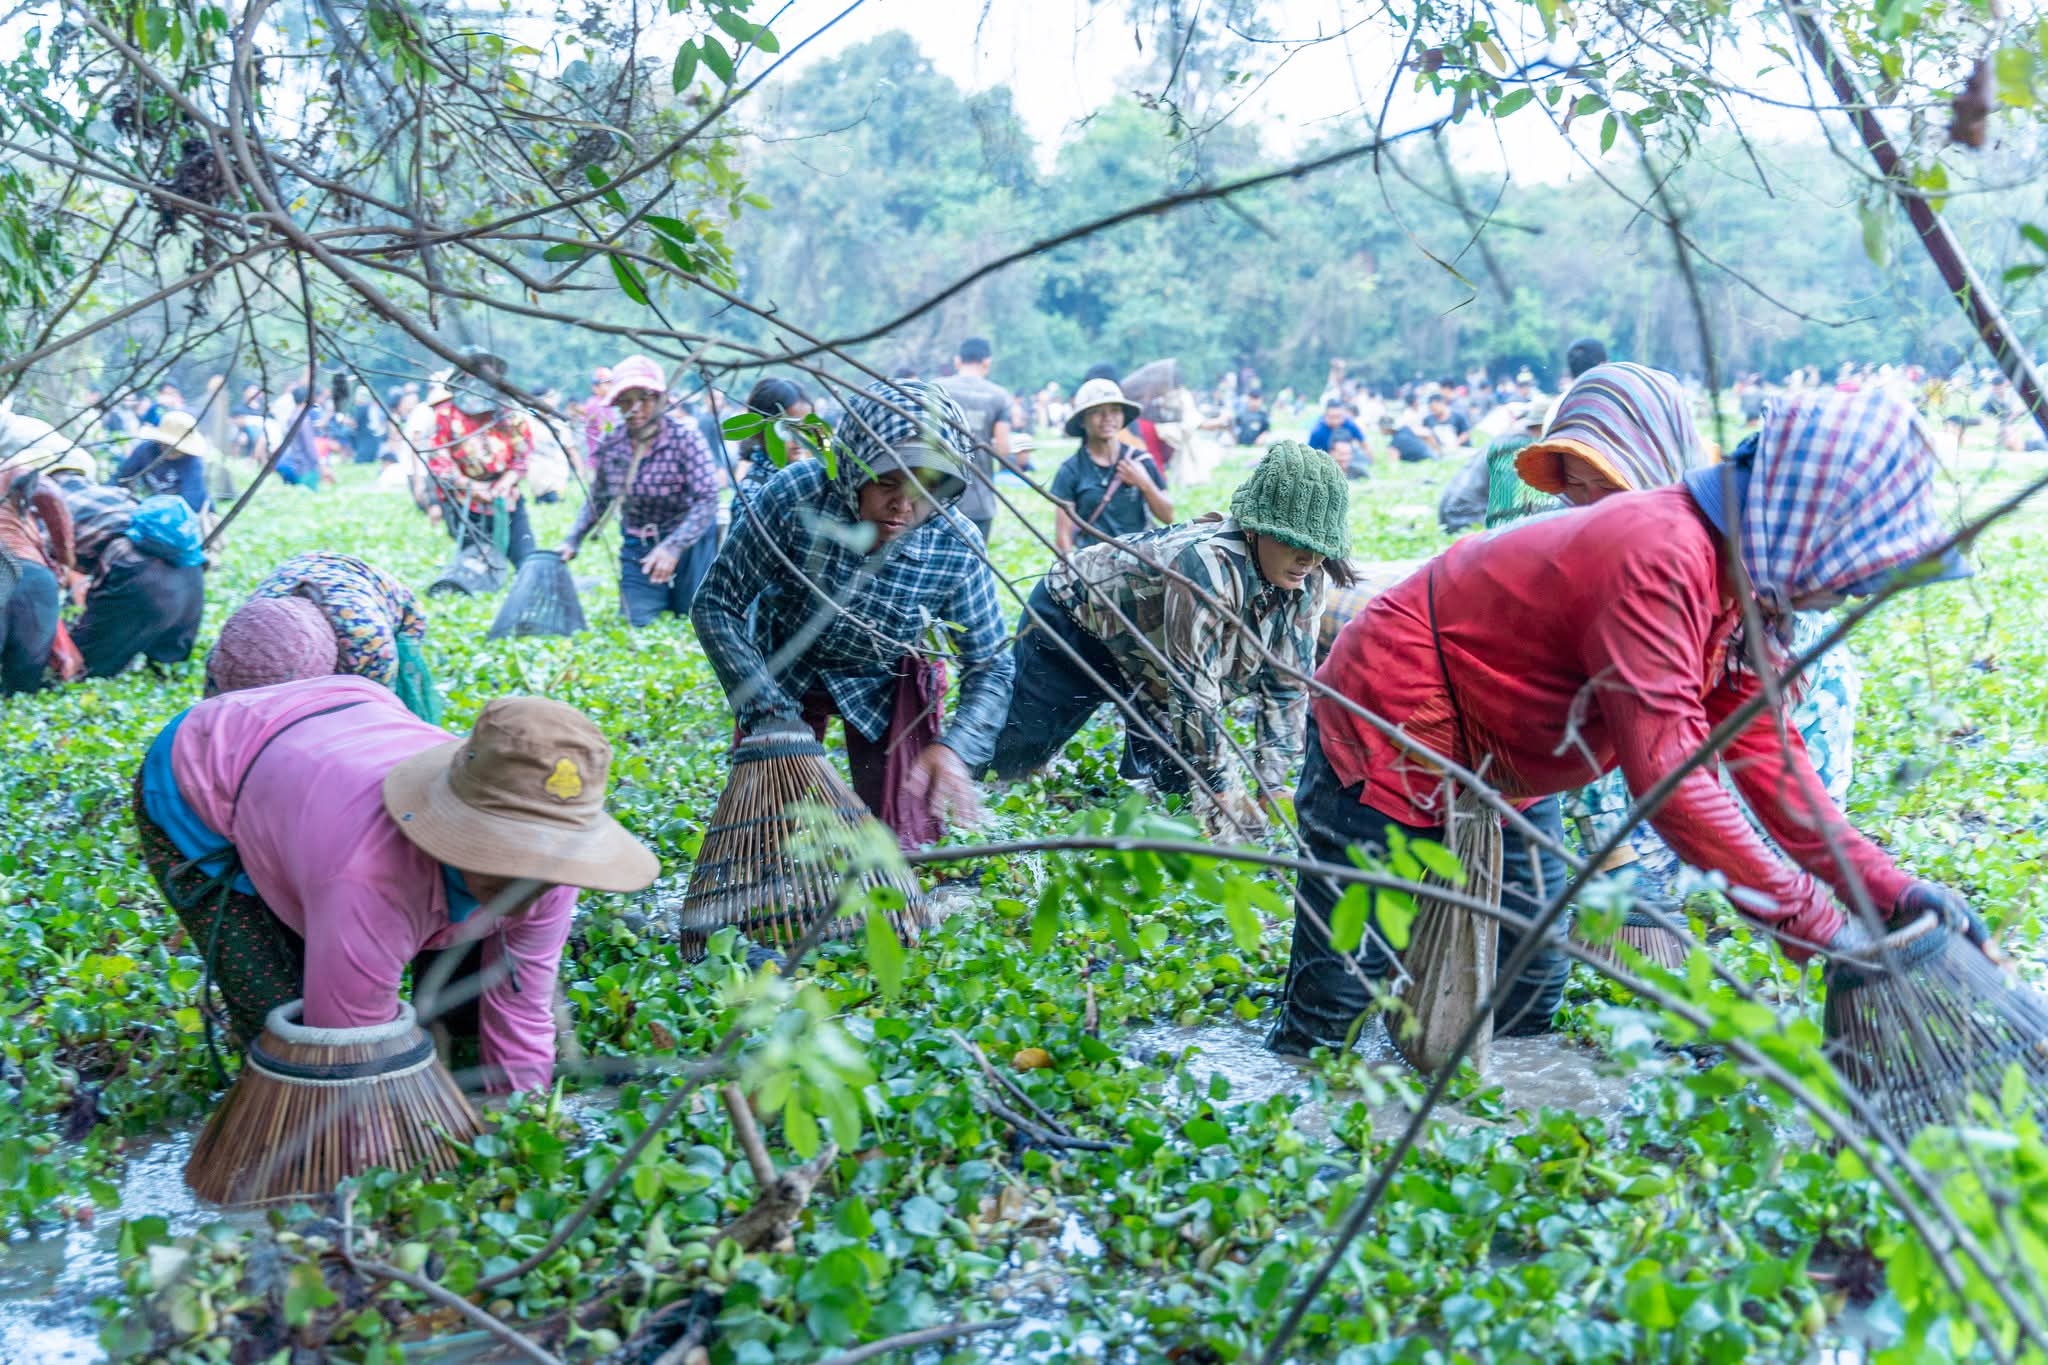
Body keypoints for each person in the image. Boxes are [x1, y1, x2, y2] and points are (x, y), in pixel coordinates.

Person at [1270, 385, 1976, 1056]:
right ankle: (1306, 1075)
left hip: (1511, 747)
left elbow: (1768, 760)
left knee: (1528, 984)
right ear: (1809, 527)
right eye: (1849, 572)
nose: (1844, 591)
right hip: (1399, 710)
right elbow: (1670, 777)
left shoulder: (1741, 589)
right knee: (1342, 979)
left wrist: (1887, 889)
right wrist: (1812, 923)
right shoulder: (1662, 553)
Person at [132, 679, 656, 1092]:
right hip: (204, 770)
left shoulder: (557, 874)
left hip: (346, 719)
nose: (532, 884)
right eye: (512, 853)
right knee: (289, 1030)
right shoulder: (368, 875)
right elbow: (348, 1054)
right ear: (460, 827)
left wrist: (522, 1119)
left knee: (463, 1011)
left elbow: (520, 1007)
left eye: (546, 861)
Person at [1514, 364, 1862, 890]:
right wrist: (1625, 876)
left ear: (1658, 463)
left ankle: (1785, 858)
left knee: (1827, 668)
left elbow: (1751, 713)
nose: (1588, 505)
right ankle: (1640, 869)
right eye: (1576, 487)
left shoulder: (1720, 535)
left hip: (1717, 757)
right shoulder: (1563, 547)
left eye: (1606, 486)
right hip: (1604, 762)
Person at [692, 380, 1014, 850]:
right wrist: (770, 712)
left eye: (923, 487)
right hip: (785, 664)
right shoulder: (793, 497)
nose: (903, 504)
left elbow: (991, 664)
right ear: (852, 469)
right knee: (759, 830)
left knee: (904, 837)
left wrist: (956, 747)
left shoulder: (955, 543)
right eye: (886, 482)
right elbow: (715, 602)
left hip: (886, 673)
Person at [991, 442, 1350, 834]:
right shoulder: (1205, 566)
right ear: (1255, 528)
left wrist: (1273, 783)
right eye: (1295, 543)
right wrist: (1220, 786)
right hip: (1076, 616)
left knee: (1179, 790)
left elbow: (1287, 684)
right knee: (1008, 764)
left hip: (1151, 653)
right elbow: (1193, 689)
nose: (1308, 559)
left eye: (1318, 549)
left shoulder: (1310, 578)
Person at [559, 355, 720, 625]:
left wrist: (673, 547)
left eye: (644, 399)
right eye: (626, 400)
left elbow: (707, 499)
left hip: (689, 543)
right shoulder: (614, 445)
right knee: (639, 621)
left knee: (694, 617)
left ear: (659, 400)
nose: (636, 409)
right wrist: (572, 540)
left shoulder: (686, 439)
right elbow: (598, 498)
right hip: (639, 546)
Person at [206, 553, 439, 719]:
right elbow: (216, 718)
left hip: (375, 599)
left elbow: (376, 718)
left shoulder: (368, 643)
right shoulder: (236, 647)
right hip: (295, 576)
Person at [47, 461, 208, 678]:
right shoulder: (112, 494)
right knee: (167, 670)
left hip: (139, 574)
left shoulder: (38, 511)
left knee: (82, 667)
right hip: (191, 573)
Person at [430, 351, 536, 567]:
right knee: (475, 563)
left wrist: (505, 484)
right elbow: (439, 462)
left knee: (525, 558)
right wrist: (472, 487)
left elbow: (523, 454)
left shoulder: (508, 414)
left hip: (506, 496)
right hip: (464, 500)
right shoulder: (446, 414)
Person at [1050, 378, 1173, 553]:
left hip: (1140, 559)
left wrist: (1144, 483)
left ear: (1123, 417)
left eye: (1115, 411)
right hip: (1093, 565)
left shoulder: (1141, 461)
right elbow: (1063, 537)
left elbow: (1168, 516)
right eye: (1097, 412)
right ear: (1082, 420)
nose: (1107, 418)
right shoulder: (1071, 470)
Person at [0, 463, 72, 694]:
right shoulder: (12, 470)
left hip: (20, 568)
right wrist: (65, 559)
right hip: (31, 574)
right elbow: (52, 498)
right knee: (23, 681)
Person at [936, 336, 1014, 546]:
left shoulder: (936, 389)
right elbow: (1003, 450)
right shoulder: (999, 396)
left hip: (934, 497)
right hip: (979, 500)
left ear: (957, 361)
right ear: (987, 362)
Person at [118, 411, 215, 514]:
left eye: (176, 448)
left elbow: (191, 501)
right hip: (157, 508)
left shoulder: (192, 463)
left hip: (193, 514)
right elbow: (122, 478)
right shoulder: (145, 451)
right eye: (166, 445)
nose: (171, 450)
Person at [730, 377, 813, 493]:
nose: (799, 439)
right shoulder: (753, 490)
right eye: (788, 428)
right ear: (762, 430)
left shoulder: (810, 476)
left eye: (805, 427)